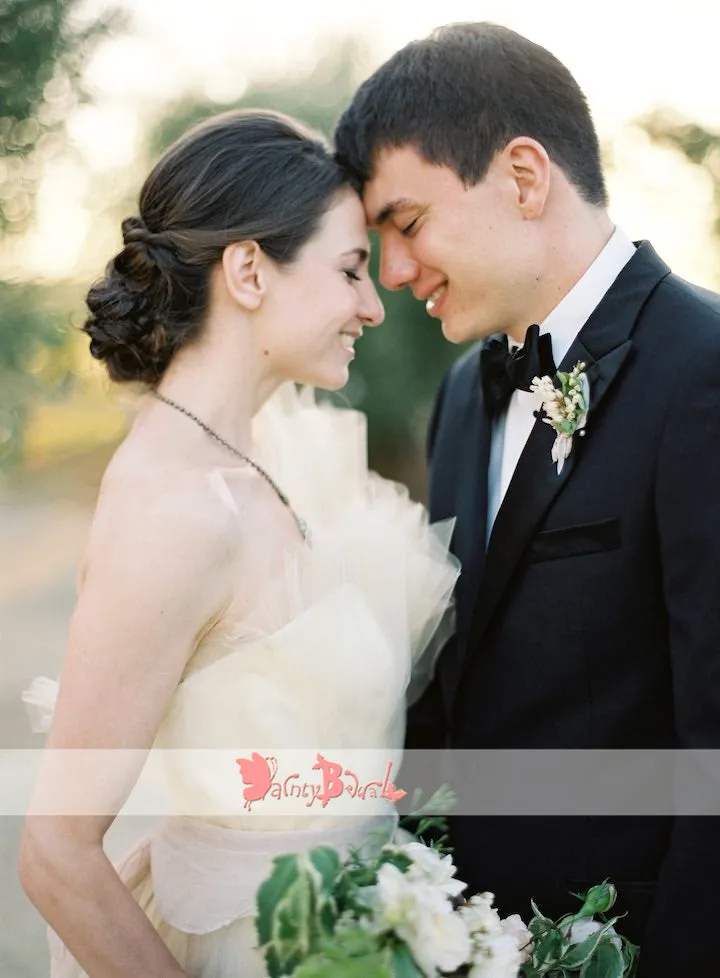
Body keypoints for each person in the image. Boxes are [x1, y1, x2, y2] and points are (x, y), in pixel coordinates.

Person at [18, 108, 460, 978]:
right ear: (250, 271)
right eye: (349, 271)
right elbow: (55, 855)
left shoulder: (271, 454)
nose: (373, 305)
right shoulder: (173, 512)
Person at [334, 21, 720, 977]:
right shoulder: (465, 397)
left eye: (407, 223)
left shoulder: (704, 373)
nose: (392, 273)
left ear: (522, 175)